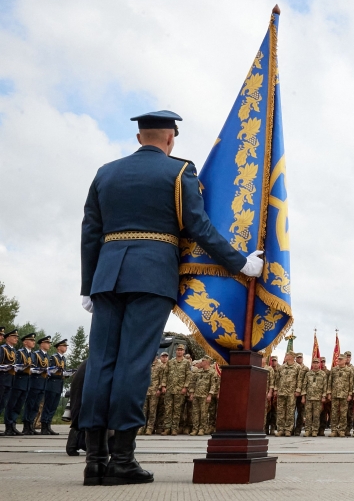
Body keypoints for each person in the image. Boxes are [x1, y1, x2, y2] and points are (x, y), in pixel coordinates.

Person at [78, 110, 264, 485]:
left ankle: (95, 461)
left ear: (139, 138)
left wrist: (87, 285)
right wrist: (239, 263)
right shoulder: (179, 172)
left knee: (100, 363)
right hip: (151, 273)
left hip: (107, 275)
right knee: (134, 363)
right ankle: (122, 460)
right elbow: (198, 226)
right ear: (169, 139)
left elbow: (90, 231)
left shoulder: (105, 172)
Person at [42, 338, 68, 435]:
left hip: (59, 384)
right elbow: (49, 371)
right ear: (58, 347)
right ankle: (44, 426)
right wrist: (58, 372)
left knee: (53, 406)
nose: (65, 348)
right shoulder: (53, 358)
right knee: (48, 405)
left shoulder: (63, 358)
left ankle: (48, 425)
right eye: (64, 346)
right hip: (52, 383)